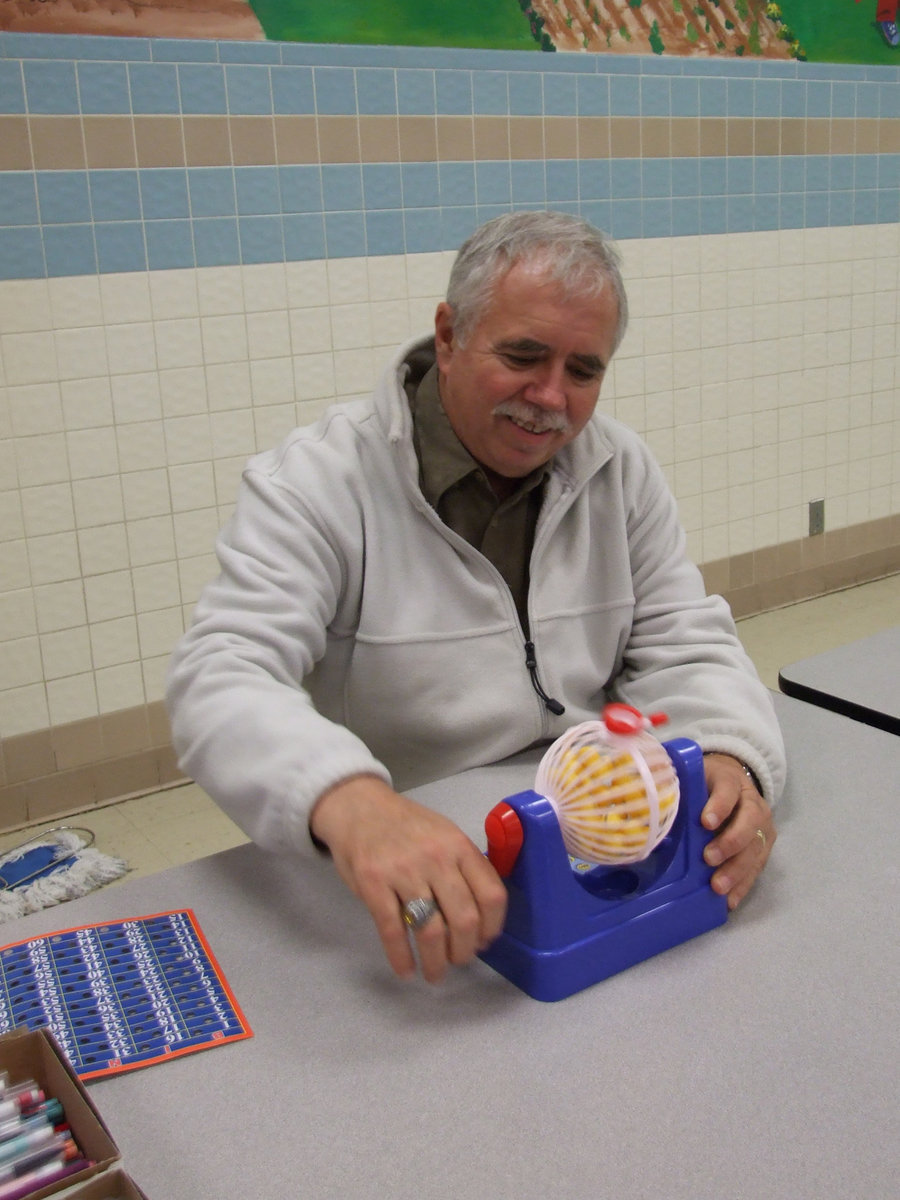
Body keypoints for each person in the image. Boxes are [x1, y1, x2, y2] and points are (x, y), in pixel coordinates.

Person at [166, 211, 785, 987]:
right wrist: (352, 803)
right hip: (408, 866)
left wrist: (730, 755)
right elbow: (221, 675)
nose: (550, 397)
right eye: (523, 355)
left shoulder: (619, 471)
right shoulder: (317, 483)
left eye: (584, 370)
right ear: (450, 335)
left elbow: (685, 640)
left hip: (592, 839)